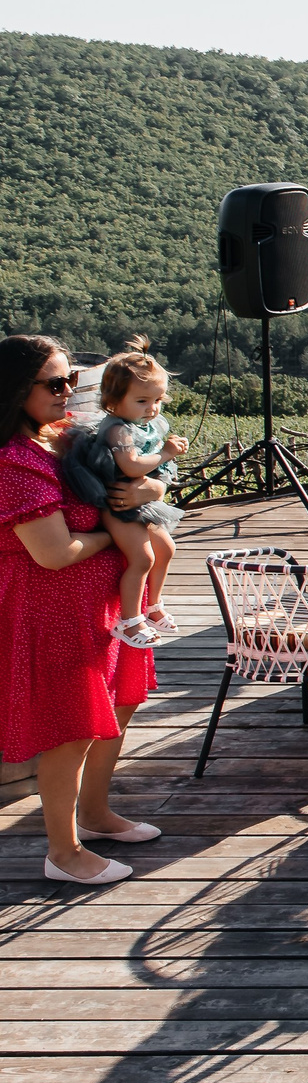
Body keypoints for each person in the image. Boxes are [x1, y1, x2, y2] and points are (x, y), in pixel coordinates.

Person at [0, 335, 162, 886]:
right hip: (53, 613)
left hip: (102, 608)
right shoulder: (14, 461)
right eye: (54, 382)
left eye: (72, 378)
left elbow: (132, 481)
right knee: (71, 730)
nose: (68, 390)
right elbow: (53, 552)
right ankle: (63, 853)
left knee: (115, 708)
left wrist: (148, 490)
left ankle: (94, 813)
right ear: (14, 389)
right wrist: (113, 538)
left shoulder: (64, 436)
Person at [62, 346, 188, 648]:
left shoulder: (142, 424)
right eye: (142, 401)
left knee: (166, 549)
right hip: (117, 504)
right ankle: (129, 621)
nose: (152, 408)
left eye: (158, 400)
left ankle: (153, 605)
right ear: (114, 401)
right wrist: (166, 453)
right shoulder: (118, 430)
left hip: (140, 502)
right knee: (142, 558)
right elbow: (131, 466)